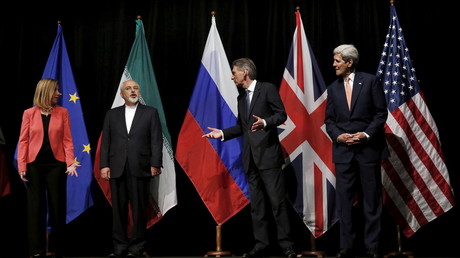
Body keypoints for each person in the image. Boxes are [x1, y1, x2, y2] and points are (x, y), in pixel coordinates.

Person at [202, 58, 296, 258]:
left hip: (268, 156)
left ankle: (286, 246)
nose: (232, 76)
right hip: (250, 158)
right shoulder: (241, 98)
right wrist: (223, 133)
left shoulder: (267, 89)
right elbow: (241, 127)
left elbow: (281, 115)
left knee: (277, 203)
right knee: (257, 206)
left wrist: (265, 122)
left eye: (234, 72)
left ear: (245, 72)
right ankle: (261, 245)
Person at [324, 44, 389, 258]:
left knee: (371, 200)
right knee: (344, 202)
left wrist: (366, 134)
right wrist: (338, 136)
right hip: (343, 152)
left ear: (349, 62)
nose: (334, 64)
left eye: (337, 60)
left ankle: (372, 246)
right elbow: (330, 120)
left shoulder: (370, 81)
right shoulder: (333, 88)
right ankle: (346, 246)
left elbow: (380, 113)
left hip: (368, 150)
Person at [100, 80, 163, 258]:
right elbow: (106, 143)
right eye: (128, 88)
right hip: (117, 168)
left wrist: (155, 164)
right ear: (122, 94)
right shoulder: (111, 115)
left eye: (135, 88)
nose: (133, 91)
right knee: (118, 210)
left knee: (139, 209)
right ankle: (119, 247)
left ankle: (137, 247)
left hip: (140, 167)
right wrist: (104, 165)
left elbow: (156, 140)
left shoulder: (150, 113)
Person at [17, 78, 79, 258]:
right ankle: (36, 249)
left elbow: (67, 140)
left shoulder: (63, 112)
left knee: (57, 206)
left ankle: (55, 248)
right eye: (56, 90)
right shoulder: (29, 113)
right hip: (34, 165)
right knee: (36, 207)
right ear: (46, 92)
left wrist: (70, 162)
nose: (59, 93)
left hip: (56, 165)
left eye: (58, 90)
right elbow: (23, 141)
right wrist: (22, 166)